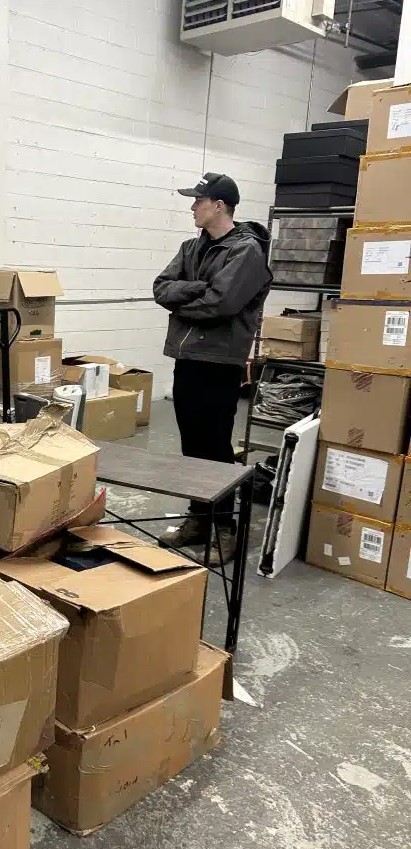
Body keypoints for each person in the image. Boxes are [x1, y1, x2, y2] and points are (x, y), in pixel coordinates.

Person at [152, 172, 272, 564]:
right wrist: (196, 289)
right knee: (192, 445)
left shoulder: (247, 251)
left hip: (220, 362)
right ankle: (198, 519)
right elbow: (161, 288)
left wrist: (185, 298)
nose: (192, 207)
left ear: (219, 205)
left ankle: (225, 529)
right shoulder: (191, 248)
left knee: (216, 448)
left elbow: (222, 304)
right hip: (187, 359)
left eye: (198, 201)